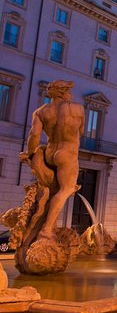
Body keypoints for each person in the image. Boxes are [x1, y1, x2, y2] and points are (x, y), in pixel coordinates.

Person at [19, 80, 84, 241]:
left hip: (49, 151)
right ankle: (47, 229)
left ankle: (40, 225)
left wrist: (29, 153)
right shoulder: (77, 109)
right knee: (67, 189)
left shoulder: (41, 112)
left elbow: (34, 136)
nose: (71, 93)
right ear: (63, 92)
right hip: (67, 153)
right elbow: (80, 131)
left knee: (52, 190)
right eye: (69, 90)